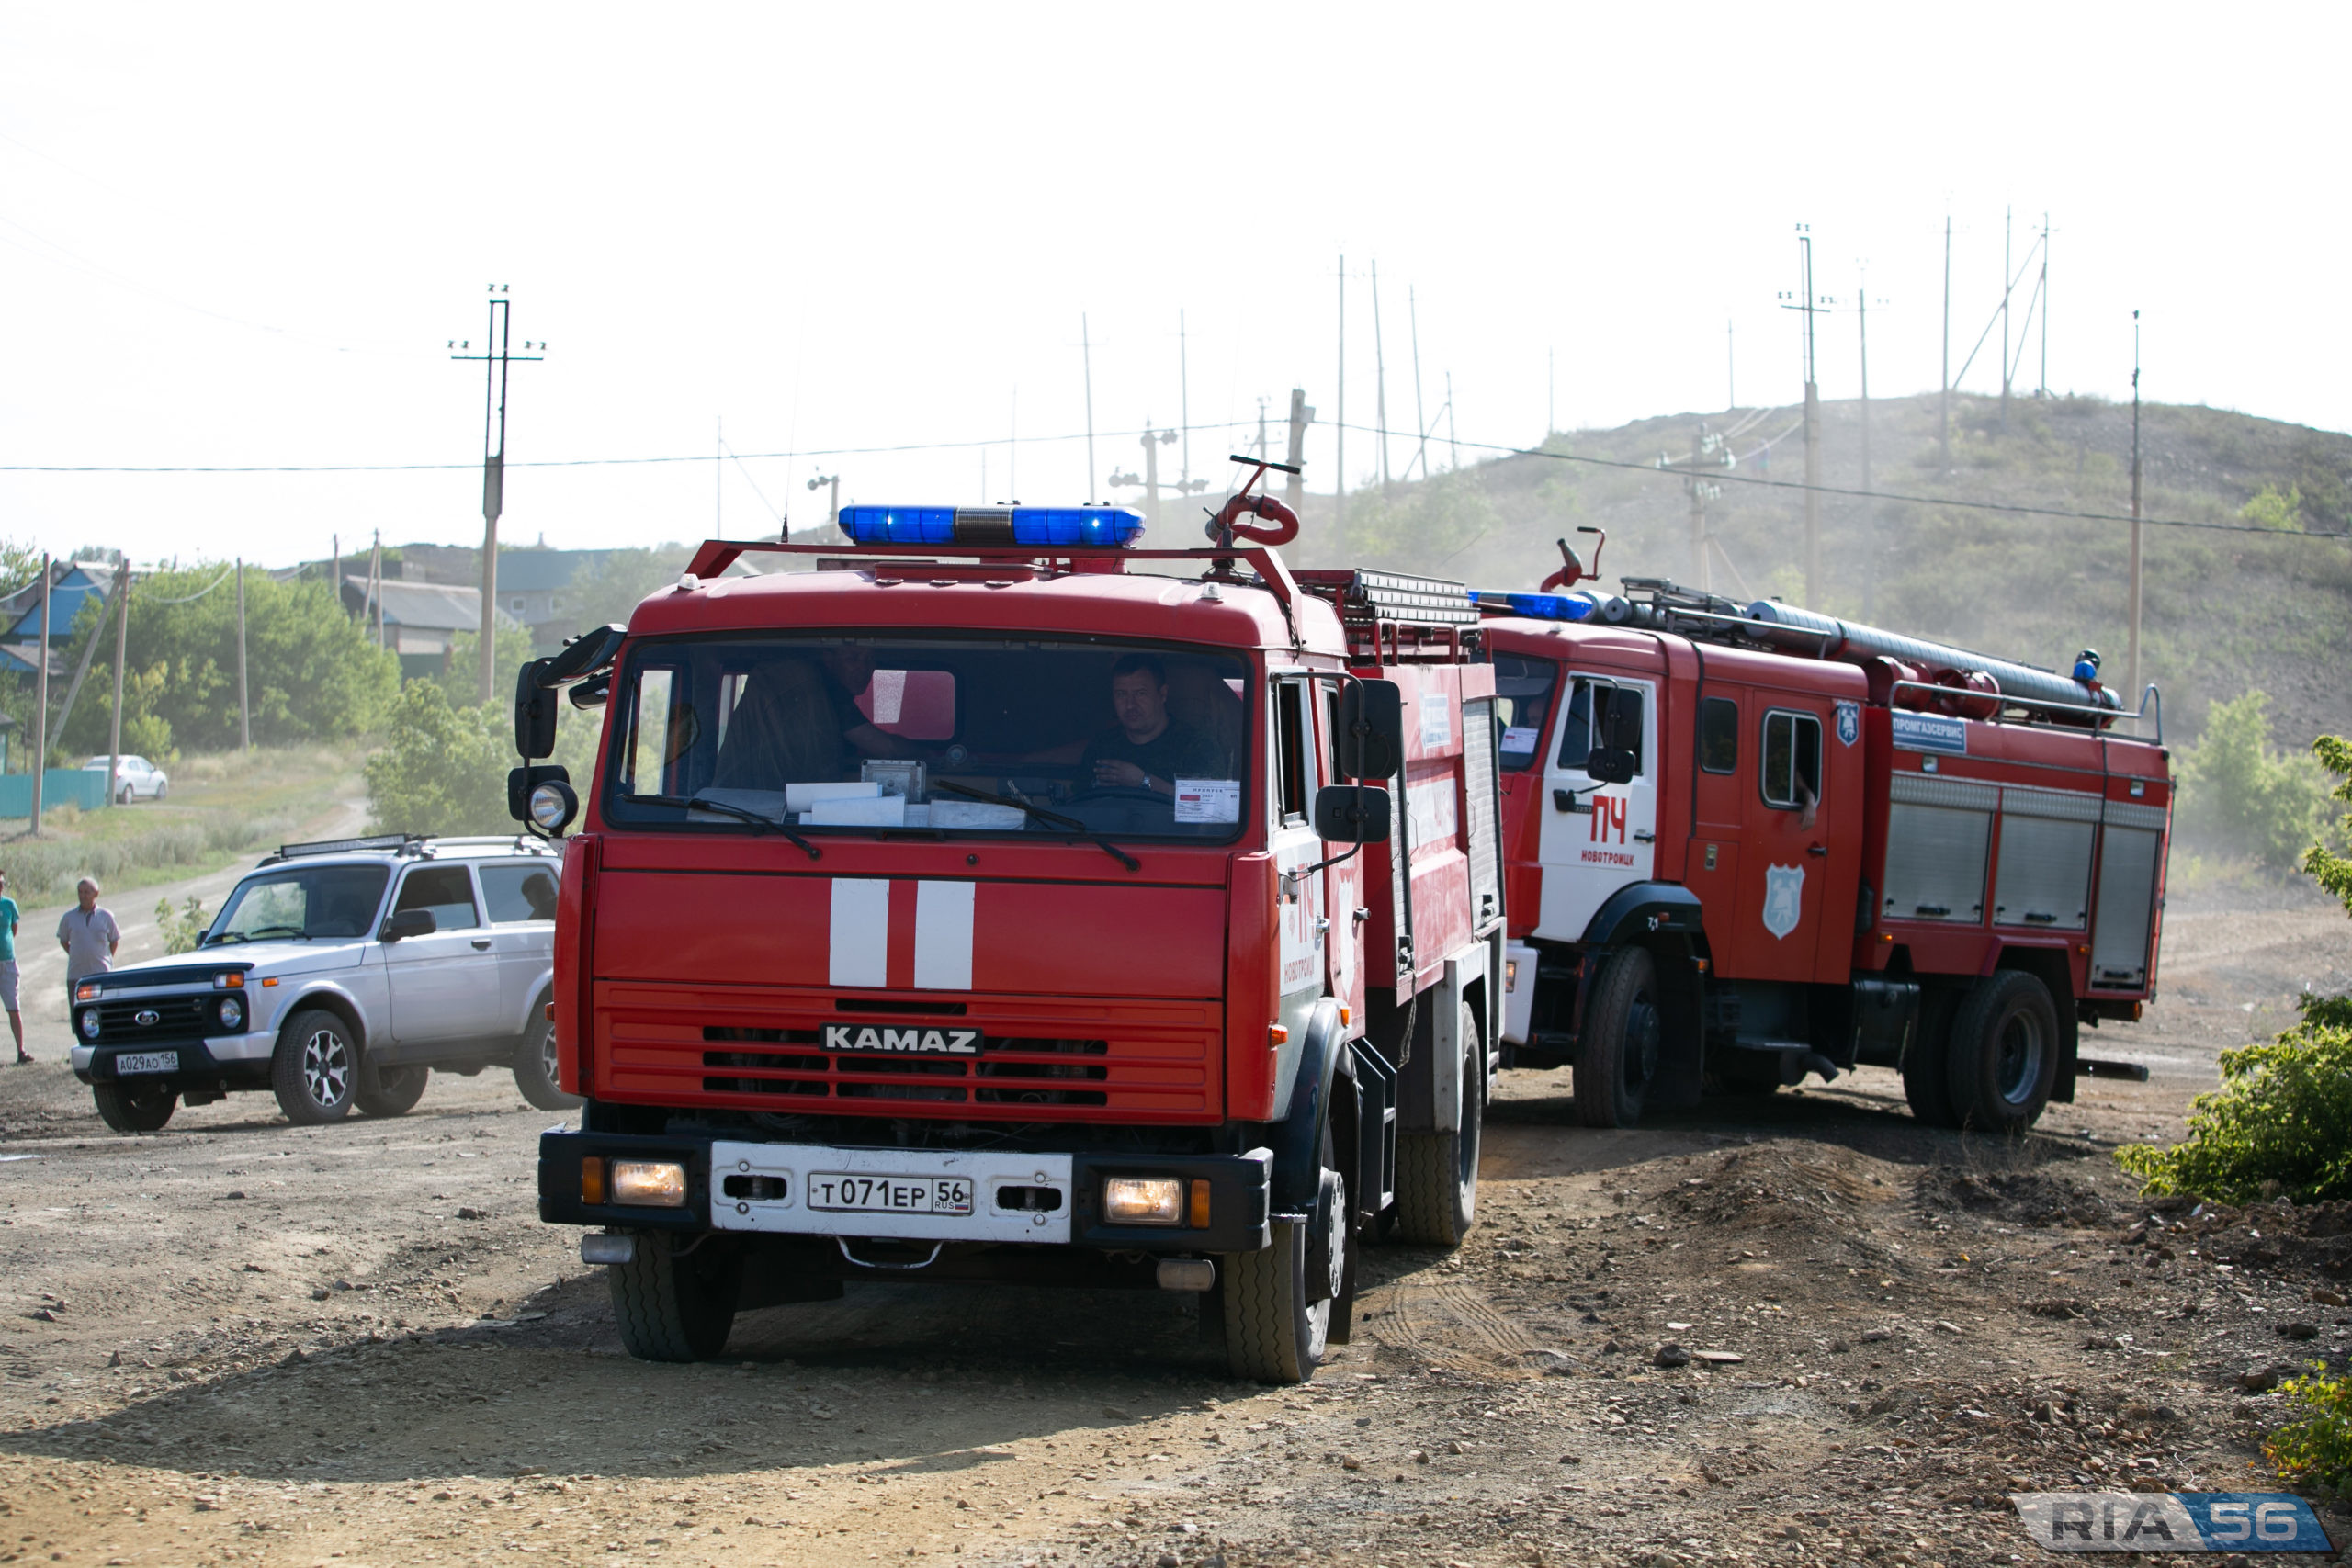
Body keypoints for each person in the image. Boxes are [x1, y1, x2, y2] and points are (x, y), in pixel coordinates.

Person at [1079, 654, 1223, 800]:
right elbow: (1077, 804)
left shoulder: (1196, 746)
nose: (1130, 705)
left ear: (1162, 694)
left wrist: (1145, 781)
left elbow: (1211, 809)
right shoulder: (1102, 746)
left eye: (1140, 693)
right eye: (1121, 694)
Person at [58, 879, 121, 996]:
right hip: (76, 975)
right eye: (80, 892)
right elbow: (63, 941)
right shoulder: (69, 917)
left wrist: (103, 958)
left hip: (101, 973)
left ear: (96, 894)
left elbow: (114, 941)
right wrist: (77, 954)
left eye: (86, 892)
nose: (82, 896)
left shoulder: (106, 916)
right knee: (78, 1011)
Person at [0, 870, 22, 1065]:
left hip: (7, 962)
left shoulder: (9, 905)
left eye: (1, 883)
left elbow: (12, 931)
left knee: (13, 1008)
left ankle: (20, 1051)